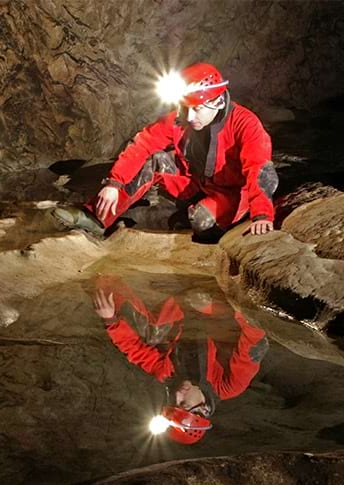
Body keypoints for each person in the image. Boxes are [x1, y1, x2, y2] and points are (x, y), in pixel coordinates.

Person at [53, 62, 278, 238]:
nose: (189, 117)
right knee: (154, 159)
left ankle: (193, 214)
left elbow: (259, 169)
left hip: (230, 193)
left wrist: (261, 214)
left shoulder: (245, 124)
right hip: (195, 183)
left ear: (218, 102)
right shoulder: (182, 119)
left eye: (197, 109)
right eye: (185, 108)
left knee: (202, 223)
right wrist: (114, 183)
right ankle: (96, 218)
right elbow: (142, 144)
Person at [91, 275, 269, 443]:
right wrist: (217, 309)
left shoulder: (168, 376)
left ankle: (107, 278)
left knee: (149, 335)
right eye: (183, 404)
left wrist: (110, 320)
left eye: (173, 402)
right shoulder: (229, 385)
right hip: (221, 311)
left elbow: (135, 351)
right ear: (202, 409)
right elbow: (256, 341)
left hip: (184, 309)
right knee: (231, 322)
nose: (177, 395)